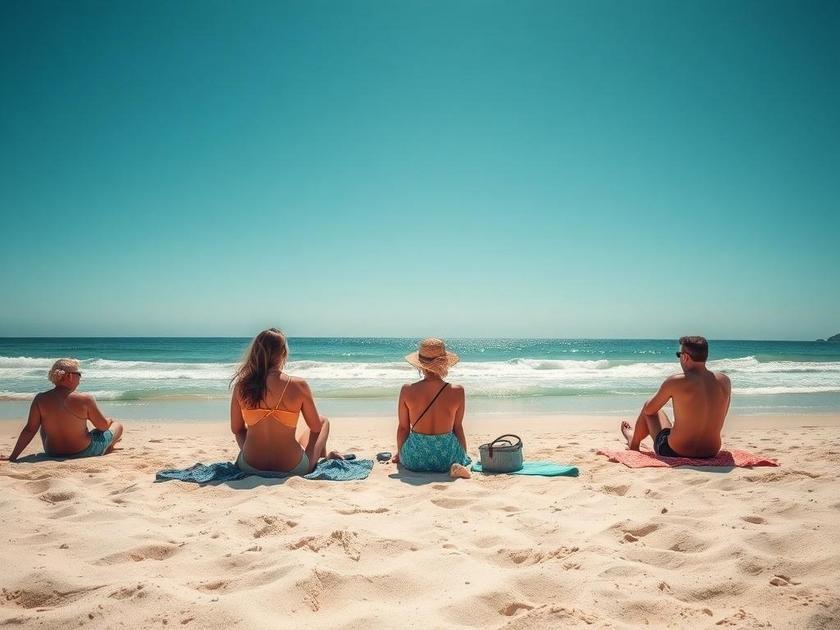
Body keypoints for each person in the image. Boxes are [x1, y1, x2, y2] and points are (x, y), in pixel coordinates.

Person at [230, 328, 342, 476]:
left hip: (250, 466)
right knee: (322, 422)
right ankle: (322, 460)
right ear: (282, 353)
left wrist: (248, 449)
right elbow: (315, 427)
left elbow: (237, 430)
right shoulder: (298, 385)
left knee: (245, 432)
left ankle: (255, 455)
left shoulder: (242, 386)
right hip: (293, 468)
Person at [621, 336, 731, 458]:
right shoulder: (724, 380)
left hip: (675, 451)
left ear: (685, 357)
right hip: (710, 452)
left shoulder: (676, 381)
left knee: (650, 408)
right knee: (672, 424)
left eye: (679, 354)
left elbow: (649, 410)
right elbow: (722, 414)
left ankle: (634, 443)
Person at [1, 359, 124, 462]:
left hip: (52, 452)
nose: (80, 378)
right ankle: (108, 446)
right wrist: (109, 421)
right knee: (117, 426)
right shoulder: (85, 399)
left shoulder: (40, 398)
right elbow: (102, 427)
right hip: (82, 451)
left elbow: (29, 430)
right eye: (79, 374)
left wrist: (13, 457)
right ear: (69, 376)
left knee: (43, 424)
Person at [393, 338, 471, 478]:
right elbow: (458, 427)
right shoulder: (458, 391)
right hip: (447, 459)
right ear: (444, 363)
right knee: (456, 451)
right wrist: (463, 456)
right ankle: (456, 466)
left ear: (420, 365)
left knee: (406, 447)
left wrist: (401, 454)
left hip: (414, 460)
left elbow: (403, 428)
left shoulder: (407, 390)